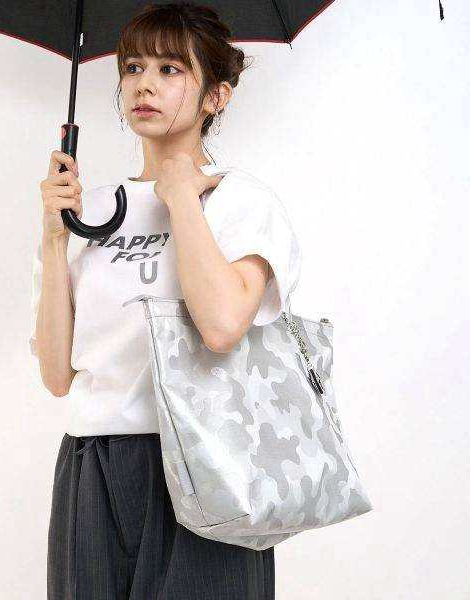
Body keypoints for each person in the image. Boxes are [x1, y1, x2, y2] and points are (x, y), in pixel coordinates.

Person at [30, 3, 302, 598]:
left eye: (170, 69)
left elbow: (222, 326)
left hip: (207, 459)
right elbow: (56, 374)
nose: (143, 84)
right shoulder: (87, 211)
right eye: (133, 67)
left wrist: (180, 197)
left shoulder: (241, 201)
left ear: (216, 96)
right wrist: (54, 239)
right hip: (92, 464)